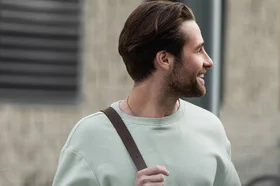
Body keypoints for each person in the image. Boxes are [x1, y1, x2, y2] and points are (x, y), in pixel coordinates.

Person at [51, 1, 241, 186]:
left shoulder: (210, 128)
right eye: (198, 50)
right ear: (164, 59)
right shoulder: (89, 137)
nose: (209, 61)